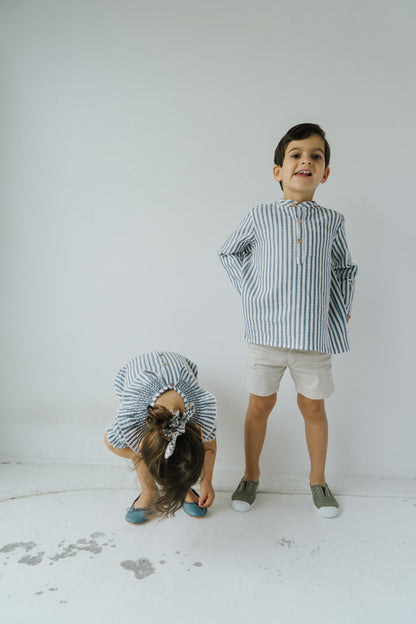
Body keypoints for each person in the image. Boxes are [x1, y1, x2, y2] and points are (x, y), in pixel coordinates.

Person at [219, 123, 357, 517]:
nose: (306, 161)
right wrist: (251, 291)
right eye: (296, 154)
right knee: (259, 404)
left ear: (325, 173)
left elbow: (345, 268)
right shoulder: (260, 215)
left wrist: (342, 304)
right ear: (278, 170)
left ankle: (318, 480)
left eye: (316, 156)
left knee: (313, 408)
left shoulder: (332, 221)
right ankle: (250, 475)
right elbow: (229, 253)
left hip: (314, 336)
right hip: (266, 334)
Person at [104, 351, 217, 523]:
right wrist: (146, 455)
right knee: (148, 448)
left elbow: (210, 444)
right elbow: (110, 443)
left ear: (198, 432)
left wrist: (206, 482)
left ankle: (182, 486)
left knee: (177, 461)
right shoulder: (133, 418)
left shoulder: (200, 412)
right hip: (139, 372)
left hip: (177, 367)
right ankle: (148, 491)